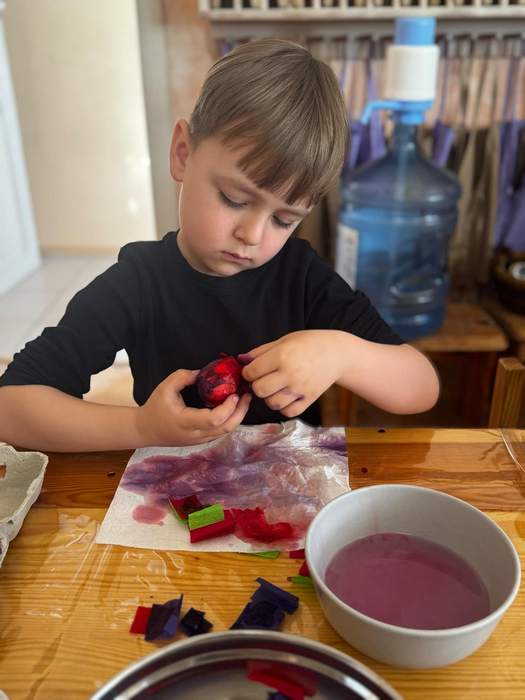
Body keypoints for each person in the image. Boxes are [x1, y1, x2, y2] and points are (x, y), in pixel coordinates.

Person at [0, 39, 439, 452]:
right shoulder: (138, 284)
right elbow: (11, 406)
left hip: (285, 487)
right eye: (234, 199)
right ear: (183, 153)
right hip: (169, 490)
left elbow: (421, 386)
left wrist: (342, 354)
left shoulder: (302, 278)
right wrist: (140, 428)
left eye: (284, 220)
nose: (253, 234)